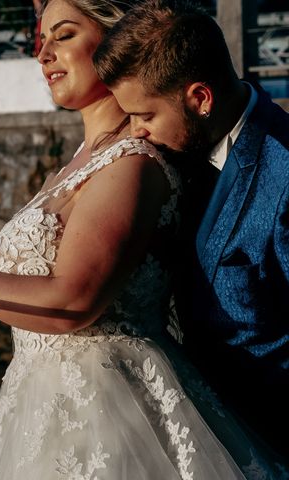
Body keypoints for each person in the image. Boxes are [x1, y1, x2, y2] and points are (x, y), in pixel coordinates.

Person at [0, 0, 278, 477]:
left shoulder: (133, 161)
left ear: (112, 39)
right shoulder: (79, 162)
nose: (42, 53)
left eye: (62, 36)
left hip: (109, 409)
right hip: (40, 407)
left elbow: (73, 299)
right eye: (40, 39)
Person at [92, 0, 289, 461]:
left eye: (144, 115)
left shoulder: (285, 174)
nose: (135, 132)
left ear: (200, 99)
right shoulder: (179, 150)